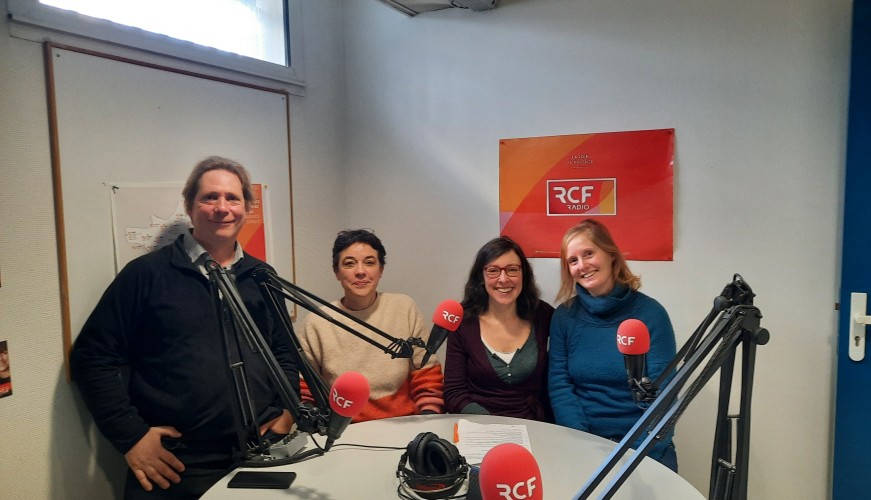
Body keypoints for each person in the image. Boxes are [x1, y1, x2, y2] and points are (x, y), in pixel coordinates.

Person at [70, 156, 299, 499]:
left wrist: (287, 411)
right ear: (190, 207)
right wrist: (131, 437)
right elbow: (92, 358)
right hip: (178, 465)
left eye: (232, 198)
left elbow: (285, 350)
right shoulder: (146, 275)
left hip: (260, 453)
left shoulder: (261, 276)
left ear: (246, 208)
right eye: (209, 197)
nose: (222, 208)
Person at [548, 218, 678, 471]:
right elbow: (560, 386)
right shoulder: (564, 317)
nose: (582, 265)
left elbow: (664, 396)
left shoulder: (651, 314)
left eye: (588, 253)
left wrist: (633, 456)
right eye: (573, 261)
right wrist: (580, 444)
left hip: (643, 450)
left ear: (610, 254)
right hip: (583, 446)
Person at [296, 229, 444, 422]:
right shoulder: (316, 323)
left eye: (369, 262)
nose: (360, 272)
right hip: (345, 432)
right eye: (349, 264)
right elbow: (306, 391)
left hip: (404, 425)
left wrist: (427, 422)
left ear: (381, 270)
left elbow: (426, 376)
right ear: (337, 272)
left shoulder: (403, 308)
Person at [443, 236, 554, 421]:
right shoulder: (462, 321)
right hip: (478, 425)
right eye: (493, 271)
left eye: (512, 270)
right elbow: (454, 393)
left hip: (533, 426)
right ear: (481, 276)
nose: (503, 279)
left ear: (523, 275)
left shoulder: (544, 316)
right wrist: (493, 425)